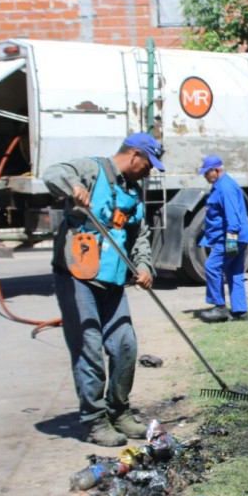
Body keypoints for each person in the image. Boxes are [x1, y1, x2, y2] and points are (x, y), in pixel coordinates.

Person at [43, 132, 164, 447]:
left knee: (125, 345)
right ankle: (94, 421)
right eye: (149, 164)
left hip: (113, 279)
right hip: (77, 276)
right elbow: (53, 173)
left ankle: (119, 412)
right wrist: (74, 187)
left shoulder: (134, 192)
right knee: (90, 348)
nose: (150, 171)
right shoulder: (92, 169)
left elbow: (139, 236)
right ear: (135, 155)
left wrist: (144, 266)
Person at [196, 155, 248, 323]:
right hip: (237, 237)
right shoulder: (222, 185)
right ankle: (240, 312)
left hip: (231, 236)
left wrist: (231, 240)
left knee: (212, 267)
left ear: (216, 170)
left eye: (206, 173)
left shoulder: (225, 188)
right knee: (234, 272)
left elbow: (232, 217)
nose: (205, 176)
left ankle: (220, 308)